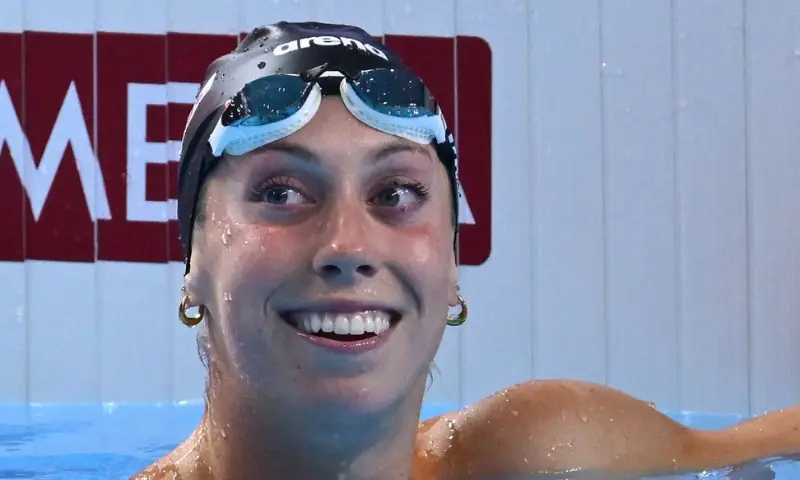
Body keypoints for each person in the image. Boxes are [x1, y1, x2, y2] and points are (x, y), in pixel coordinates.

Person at [133, 21, 800, 480]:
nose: (347, 246)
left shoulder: (545, 451)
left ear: (450, 267)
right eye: (281, 193)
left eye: (394, 193)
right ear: (193, 261)